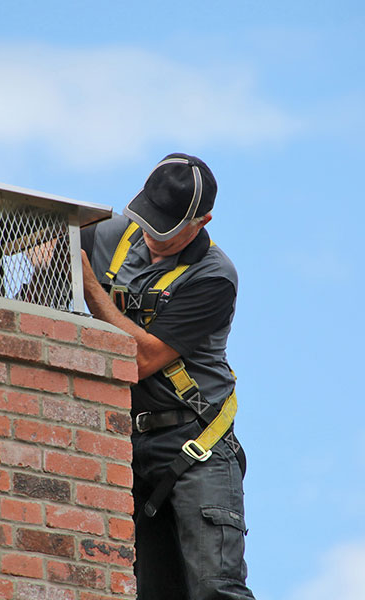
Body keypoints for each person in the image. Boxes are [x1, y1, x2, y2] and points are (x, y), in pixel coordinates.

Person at [80, 153, 255, 600]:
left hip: (197, 446)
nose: (153, 237)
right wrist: (49, 254)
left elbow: (140, 359)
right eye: (150, 221)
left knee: (215, 589)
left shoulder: (215, 277)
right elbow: (47, 258)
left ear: (201, 222)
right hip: (131, 443)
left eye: (168, 229)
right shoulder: (111, 237)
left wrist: (89, 288)